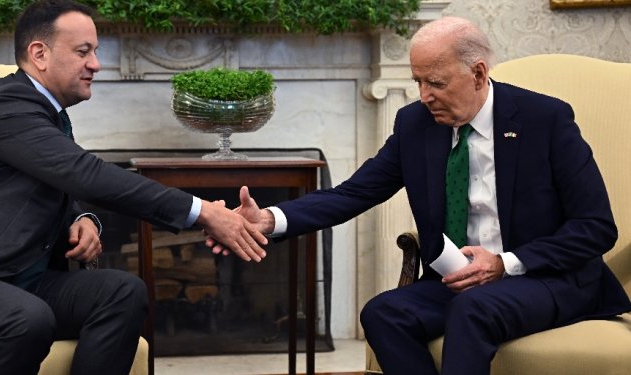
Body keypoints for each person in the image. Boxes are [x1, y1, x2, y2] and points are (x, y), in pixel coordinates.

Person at [219, 16, 631, 375]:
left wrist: (503, 264)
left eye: (436, 82)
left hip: (546, 278)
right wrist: (271, 220)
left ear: (478, 73)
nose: (425, 95)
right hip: (459, 280)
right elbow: (354, 193)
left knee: (473, 311)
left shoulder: (545, 120)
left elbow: (595, 228)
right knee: (383, 313)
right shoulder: (416, 124)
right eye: (418, 81)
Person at [0, 1, 267, 374]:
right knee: (26, 318)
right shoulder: (8, 106)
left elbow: (54, 179)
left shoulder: (48, 114)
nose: (96, 64)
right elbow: (86, 173)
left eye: (95, 51)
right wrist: (205, 213)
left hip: (16, 279)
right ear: (40, 53)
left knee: (122, 293)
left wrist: (81, 217)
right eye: (84, 51)